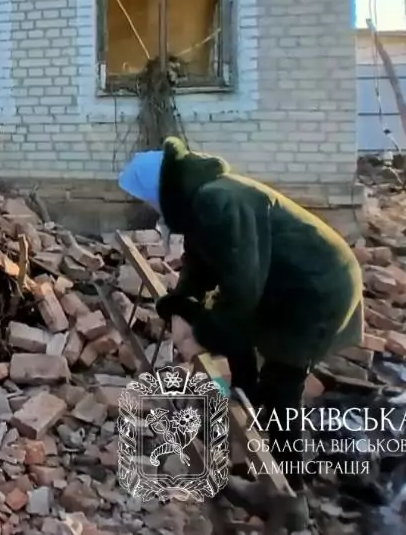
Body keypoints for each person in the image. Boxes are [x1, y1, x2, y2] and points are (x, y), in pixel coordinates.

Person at [118, 136, 364, 527]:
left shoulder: (218, 201)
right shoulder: (200, 201)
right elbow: (201, 262)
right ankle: (254, 429)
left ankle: (288, 496)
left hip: (315, 290)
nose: (146, 207)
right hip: (288, 284)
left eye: (145, 198)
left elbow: (242, 289)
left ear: (161, 188)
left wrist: (202, 333)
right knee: (255, 362)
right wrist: (181, 304)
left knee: (283, 382)